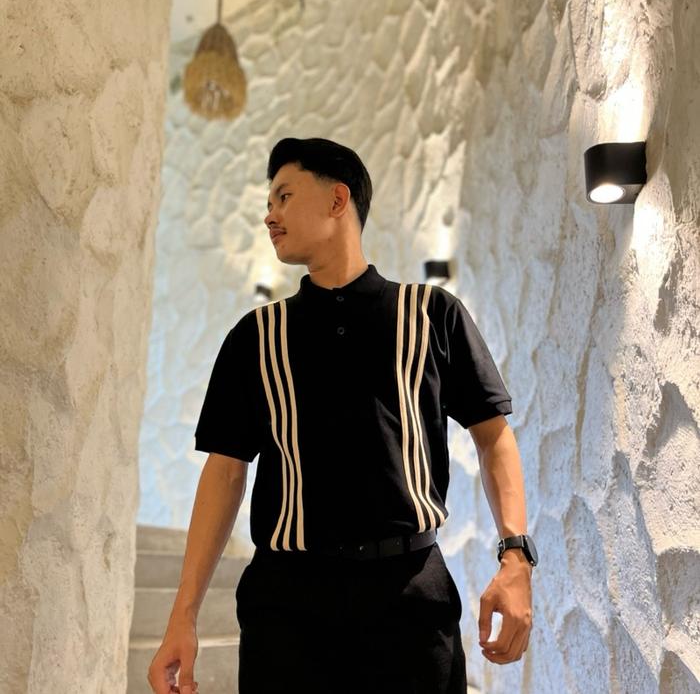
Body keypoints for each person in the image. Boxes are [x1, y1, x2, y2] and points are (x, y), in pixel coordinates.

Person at [147, 138, 535, 694]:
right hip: (287, 610)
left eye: (284, 196)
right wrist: (182, 616)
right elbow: (225, 471)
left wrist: (516, 558)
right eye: (268, 202)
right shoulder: (255, 337)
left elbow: (492, 435)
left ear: (337, 200)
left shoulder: (433, 315)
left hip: (410, 601)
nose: (270, 215)